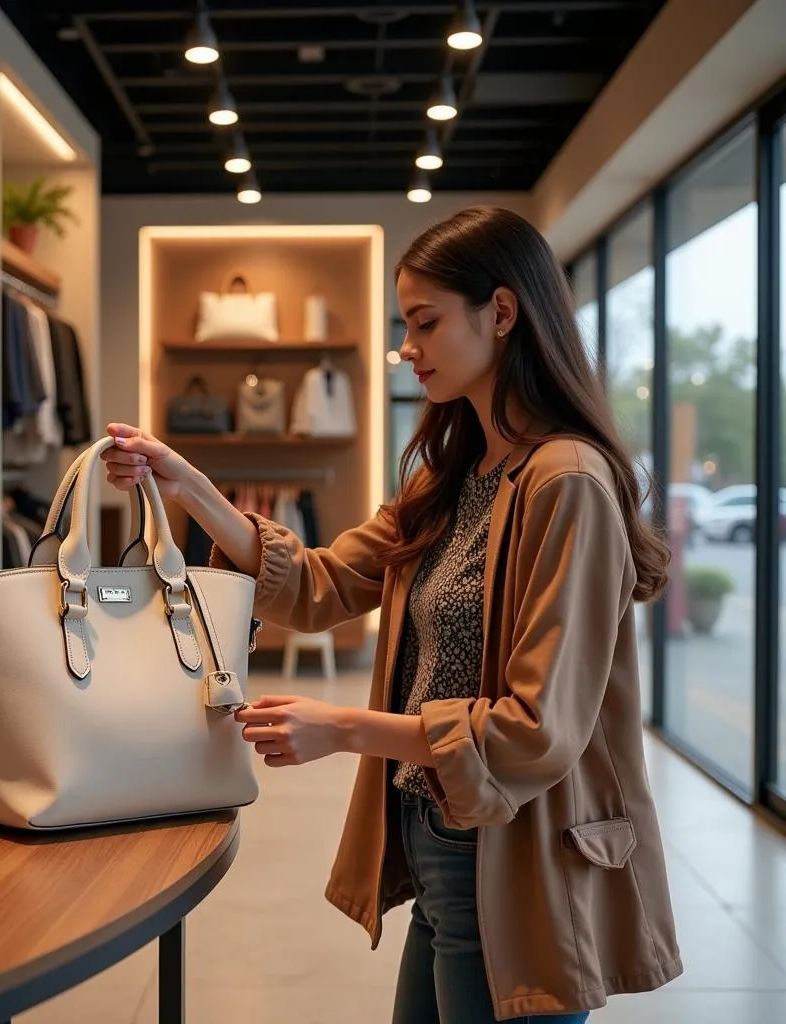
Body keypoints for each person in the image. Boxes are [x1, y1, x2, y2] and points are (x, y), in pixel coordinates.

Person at [102, 207, 683, 1024]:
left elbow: (536, 729)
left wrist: (344, 728)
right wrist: (191, 487)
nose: (406, 347)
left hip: (513, 855)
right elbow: (318, 585)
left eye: (425, 322)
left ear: (503, 314)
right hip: (441, 836)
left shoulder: (566, 484)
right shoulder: (451, 477)